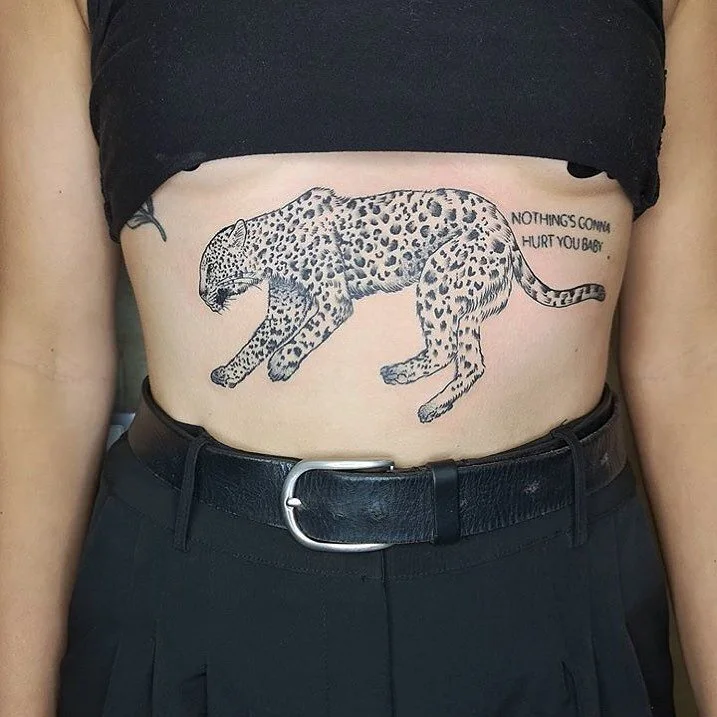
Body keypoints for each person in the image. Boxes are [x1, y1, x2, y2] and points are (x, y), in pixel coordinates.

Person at [0, 0, 715, 714]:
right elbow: (40, 363)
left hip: (549, 572)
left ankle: (447, 365)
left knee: (432, 302)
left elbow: (691, 360)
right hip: (195, 574)